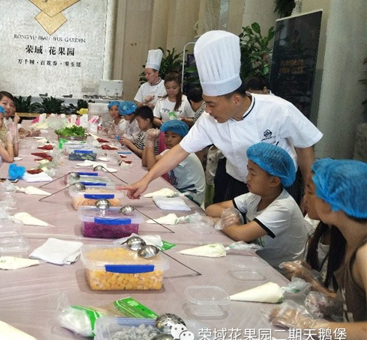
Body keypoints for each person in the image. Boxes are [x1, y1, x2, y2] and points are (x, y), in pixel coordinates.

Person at [122, 30, 323, 205]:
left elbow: (304, 145)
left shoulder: (278, 109)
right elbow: (180, 151)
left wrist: (308, 191)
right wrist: (146, 180)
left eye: (211, 104)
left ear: (236, 99)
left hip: (278, 188)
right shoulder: (209, 120)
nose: (207, 111)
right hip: (238, 183)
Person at [270, 159, 367, 340]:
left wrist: (308, 324)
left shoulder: (364, 253)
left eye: (311, 192)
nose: (306, 198)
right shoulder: (352, 243)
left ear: (329, 204)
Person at [207, 143, 310, 268]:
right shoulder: (255, 196)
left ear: (274, 181)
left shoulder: (283, 207)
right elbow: (211, 209)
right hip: (257, 263)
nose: (247, 177)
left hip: (279, 272)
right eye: (248, 171)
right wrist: (231, 216)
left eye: (253, 174)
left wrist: (220, 222)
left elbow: (240, 234)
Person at [144, 121, 205, 205]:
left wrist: (151, 141)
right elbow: (145, 162)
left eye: (173, 136)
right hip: (179, 190)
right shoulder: (170, 151)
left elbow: (151, 167)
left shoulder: (185, 153)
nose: (169, 140)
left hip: (192, 195)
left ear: (183, 138)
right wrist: (148, 140)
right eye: (166, 136)